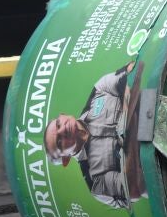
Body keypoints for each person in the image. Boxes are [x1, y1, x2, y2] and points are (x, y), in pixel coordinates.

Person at [44, 60, 147, 209]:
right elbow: (133, 189)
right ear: (65, 159)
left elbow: (134, 70)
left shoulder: (100, 90)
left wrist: (129, 149)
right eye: (59, 141)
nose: (63, 130)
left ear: (63, 115)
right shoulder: (96, 182)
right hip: (164, 165)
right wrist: (131, 112)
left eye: (59, 124)